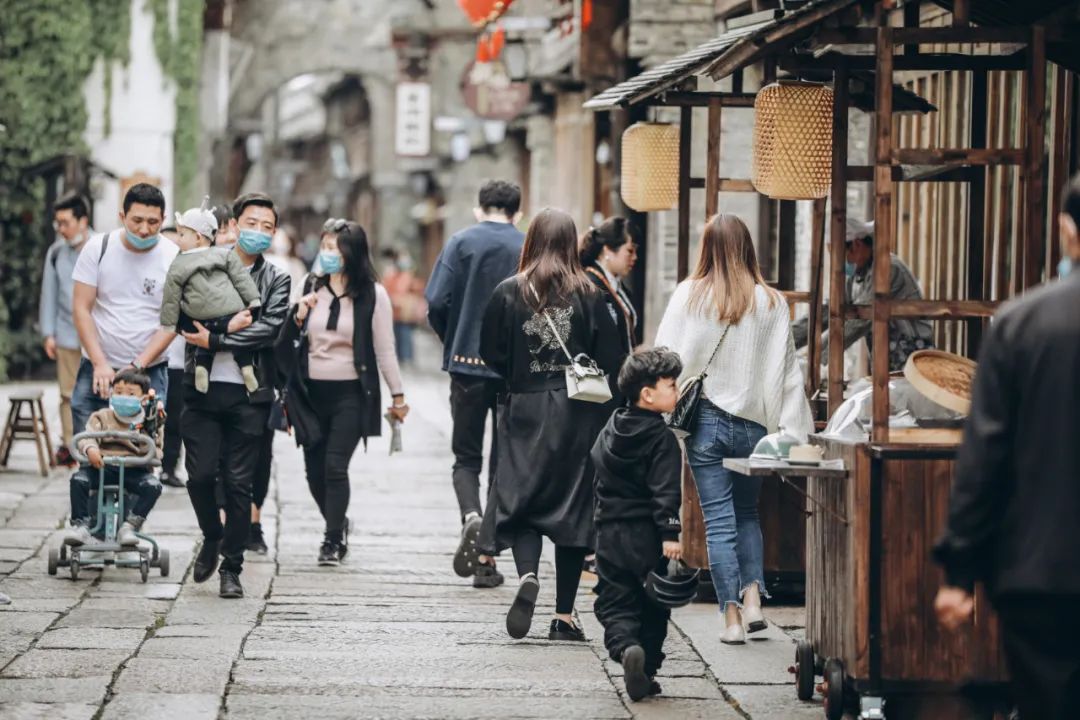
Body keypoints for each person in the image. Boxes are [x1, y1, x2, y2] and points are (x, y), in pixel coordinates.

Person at [932, 175, 1080, 720]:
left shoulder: (1023, 324)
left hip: (1040, 572)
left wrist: (958, 572)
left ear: (1068, 231)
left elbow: (985, 455)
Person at [655, 213, 812, 645]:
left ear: (706, 247)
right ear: (747, 247)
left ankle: (732, 621)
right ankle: (755, 600)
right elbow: (786, 373)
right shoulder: (771, 302)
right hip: (753, 426)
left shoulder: (689, 295)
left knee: (719, 522)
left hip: (704, 421)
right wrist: (795, 430)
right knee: (747, 514)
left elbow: (665, 355)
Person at [478, 207, 623, 641]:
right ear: (570, 242)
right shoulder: (591, 293)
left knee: (523, 499)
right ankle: (563, 616)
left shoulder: (508, 291)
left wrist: (520, 378)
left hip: (523, 407)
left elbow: (490, 352)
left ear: (532, 240)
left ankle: (526, 575)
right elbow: (612, 359)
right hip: (579, 413)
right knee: (574, 510)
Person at [179, 192, 290, 599]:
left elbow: (271, 329)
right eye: (251, 223)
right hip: (202, 393)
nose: (258, 232)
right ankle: (212, 534)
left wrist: (217, 338)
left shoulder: (277, 278)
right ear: (234, 224)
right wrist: (208, 336)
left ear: (274, 233)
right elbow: (183, 316)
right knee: (200, 476)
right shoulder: (203, 263)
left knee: (240, 484)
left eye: (266, 226)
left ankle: (232, 566)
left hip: (250, 394)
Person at [278, 221, 409, 565]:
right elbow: (290, 338)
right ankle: (338, 521)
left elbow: (384, 348)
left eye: (336, 248)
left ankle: (332, 539)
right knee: (313, 471)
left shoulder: (373, 294)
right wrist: (298, 313)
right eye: (324, 247)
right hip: (309, 393)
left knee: (335, 467)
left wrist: (397, 395)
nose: (329, 254)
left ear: (353, 253)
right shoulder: (310, 285)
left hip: (351, 394)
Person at [426, 180, 525, 589]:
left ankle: (469, 515)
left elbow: (435, 301)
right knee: (504, 460)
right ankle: (485, 555)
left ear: (478, 207)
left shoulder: (460, 242)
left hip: (466, 366)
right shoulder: (526, 244)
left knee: (465, 457)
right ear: (517, 212)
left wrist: (454, 339)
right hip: (513, 371)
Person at [592, 347, 684, 701]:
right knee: (653, 605)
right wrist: (670, 533)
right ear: (648, 394)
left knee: (614, 600)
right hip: (646, 536)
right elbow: (665, 490)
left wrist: (595, 528)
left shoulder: (611, 428)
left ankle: (625, 647)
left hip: (609, 532)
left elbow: (596, 477)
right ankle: (645, 667)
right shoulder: (661, 439)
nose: (677, 392)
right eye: (672, 385)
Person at [70, 183, 177, 445]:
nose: (144, 229)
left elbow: (171, 323)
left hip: (149, 370)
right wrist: (99, 363)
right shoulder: (98, 248)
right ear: (122, 217)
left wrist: (137, 366)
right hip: (97, 367)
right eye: (137, 220)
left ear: (163, 220)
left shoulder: (174, 258)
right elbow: (81, 308)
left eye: (153, 222)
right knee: (88, 444)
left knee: (143, 451)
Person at [792, 217, 933, 373]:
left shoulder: (888, 268)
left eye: (838, 255)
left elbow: (859, 320)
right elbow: (827, 312)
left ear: (856, 245)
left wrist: (816, 355)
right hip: (889, 359)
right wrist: (786, 339)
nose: (837, 262)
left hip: (913, 356)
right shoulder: (855, 278)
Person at [160, 202, 262, 393]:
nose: (178, 239)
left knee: (202, 340)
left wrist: (169, 323)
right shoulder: (224, 254)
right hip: (230, 308)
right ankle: (247, 367)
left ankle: (202, 368)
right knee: (236, 334)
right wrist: (253, 300)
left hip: (199, 315)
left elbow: (171, 296)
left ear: (198, 237)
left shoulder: (179, 262)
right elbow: (241, 278)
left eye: (182, 234)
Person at [63, 369, 163, 548]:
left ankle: (130, 525)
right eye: (118, 392)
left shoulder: (147, 421)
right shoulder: (102, 416)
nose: (123, 396)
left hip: (133, 469)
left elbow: (156, 448)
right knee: (78, 480)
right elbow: (88, 435)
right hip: (101, 467)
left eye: (131, 393)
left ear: (144, 398)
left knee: (153, 486)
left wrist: (154, 424)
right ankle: (81, 525)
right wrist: (91, 449)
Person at [40, 192, 93, 467]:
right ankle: (71, 445)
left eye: (65, 222)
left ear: (82, 220)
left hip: (96, 335)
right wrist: (48, 332)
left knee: (96, 391)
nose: (61, 229)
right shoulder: (56, 252)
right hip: (66, 331)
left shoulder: (100, 246)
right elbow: (48, 293)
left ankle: (93, 442)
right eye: (57, 223)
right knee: (66, 393)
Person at [580, 217, 639, 354]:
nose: (635, 257)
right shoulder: (591, 285)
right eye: (630, 251)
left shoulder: (616, 284)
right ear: (607, 250)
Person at [381, 247, 426, 365]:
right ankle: (400, 357)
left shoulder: (410, 274)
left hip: (405, 311)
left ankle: (406, 357)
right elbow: (387, 287)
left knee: (405, 333)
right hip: (394, 310)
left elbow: (417, 289)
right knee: (397, 334)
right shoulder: (392, 273)